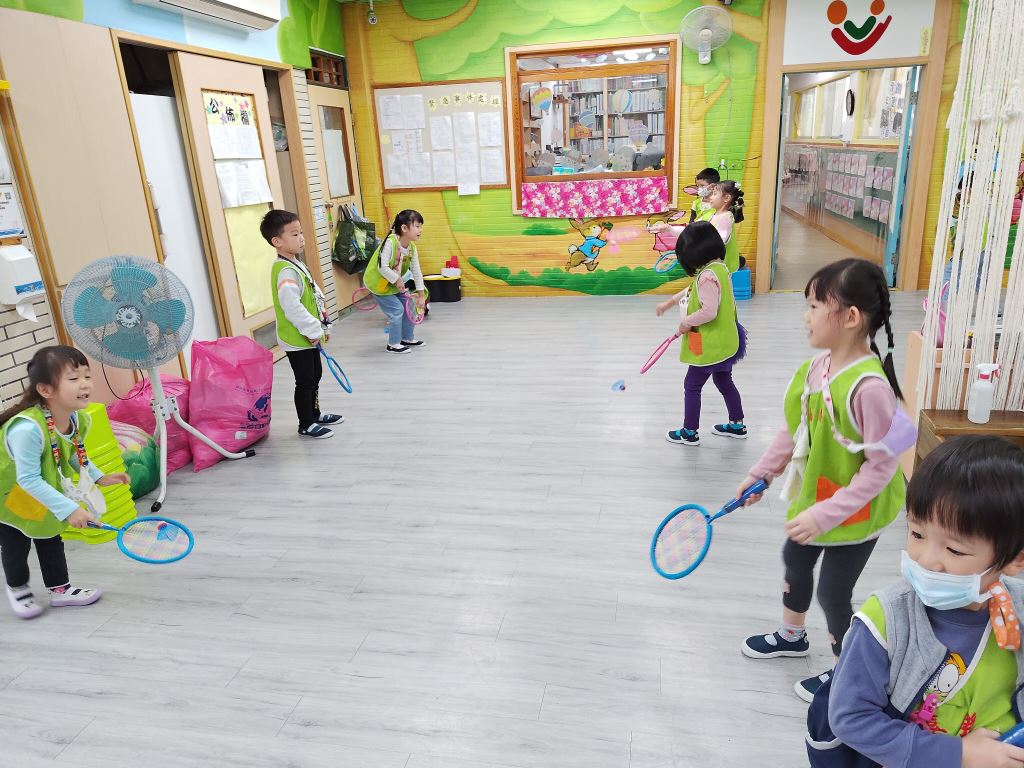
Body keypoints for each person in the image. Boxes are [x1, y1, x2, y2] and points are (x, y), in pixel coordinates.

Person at [735, 258, 916, 702]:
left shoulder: (868, 388)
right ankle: (792, 636)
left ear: (850, 317)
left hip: (858, 510)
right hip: (818, 496)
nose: (806, 316)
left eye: (815, 306)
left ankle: (845, 672)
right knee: (794, 560)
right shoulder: (817, 368)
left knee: (835, 592)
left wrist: (825, 515)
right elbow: (795, 429)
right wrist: (761, 473)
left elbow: (881, 468)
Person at [807, 436, 1024, 768]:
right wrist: (959, 754)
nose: (926, 559)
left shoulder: (1017, 607)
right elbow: (850, 717)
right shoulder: (885, 621)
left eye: (954, 550)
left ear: (1014, 559)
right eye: (917, 534)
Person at [0, 346, 130, 618]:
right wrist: (70, 509)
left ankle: (60, 589)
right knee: (16, 543)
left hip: (37, 488)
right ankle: (18, 588)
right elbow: (27, 479)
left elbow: (73, 453)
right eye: (73, 378)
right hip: (8, 494)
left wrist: (100, 477)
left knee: (50, 535)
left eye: (87, 376)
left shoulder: (74, 418)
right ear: (45, 390)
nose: (85, 384)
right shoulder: (27, 429)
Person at [655, 221, 747, 447]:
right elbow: (692, 289)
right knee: (724, 380)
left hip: (709, 343)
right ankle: (737, 425)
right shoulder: (719, 268)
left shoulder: (706, 276)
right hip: (726, 339)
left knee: (692, 385)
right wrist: (669, 303)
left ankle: (689, 432)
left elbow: (709, 311)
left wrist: (685, 323)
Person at [262, 209, 341, 440]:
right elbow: (292, 307)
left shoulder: (295, 263)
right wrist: (313, 330)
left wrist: (323, 325)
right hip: (297, 338)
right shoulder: (284, 270)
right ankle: (306, 423)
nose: (302, 238)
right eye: (295, 234)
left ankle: (315, 414)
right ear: (277, 241)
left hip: (309, 335)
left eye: (301, 233)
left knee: (315, 375)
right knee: (305, 381)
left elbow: (313, 295)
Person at [363, 209, 427, 354]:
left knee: (409, 305)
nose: (420, 230)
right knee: (397, 310)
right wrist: (397, 279)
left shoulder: (411, 247)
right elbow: (382, 267)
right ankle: (393, 344)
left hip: (392, 284)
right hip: (378, 284)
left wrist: (421, 295)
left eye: (421, 226)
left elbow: (417, 271)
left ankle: (407, 338)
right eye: (417, 226)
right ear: (404, 228)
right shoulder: (390, 242)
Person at [706, 180, 746, 273]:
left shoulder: (726, 217)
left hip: (722, 266)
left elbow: (720, 241)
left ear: (726, 198)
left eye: (715, 194)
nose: (711, 197)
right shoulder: (711, 215)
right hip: (714, 265)